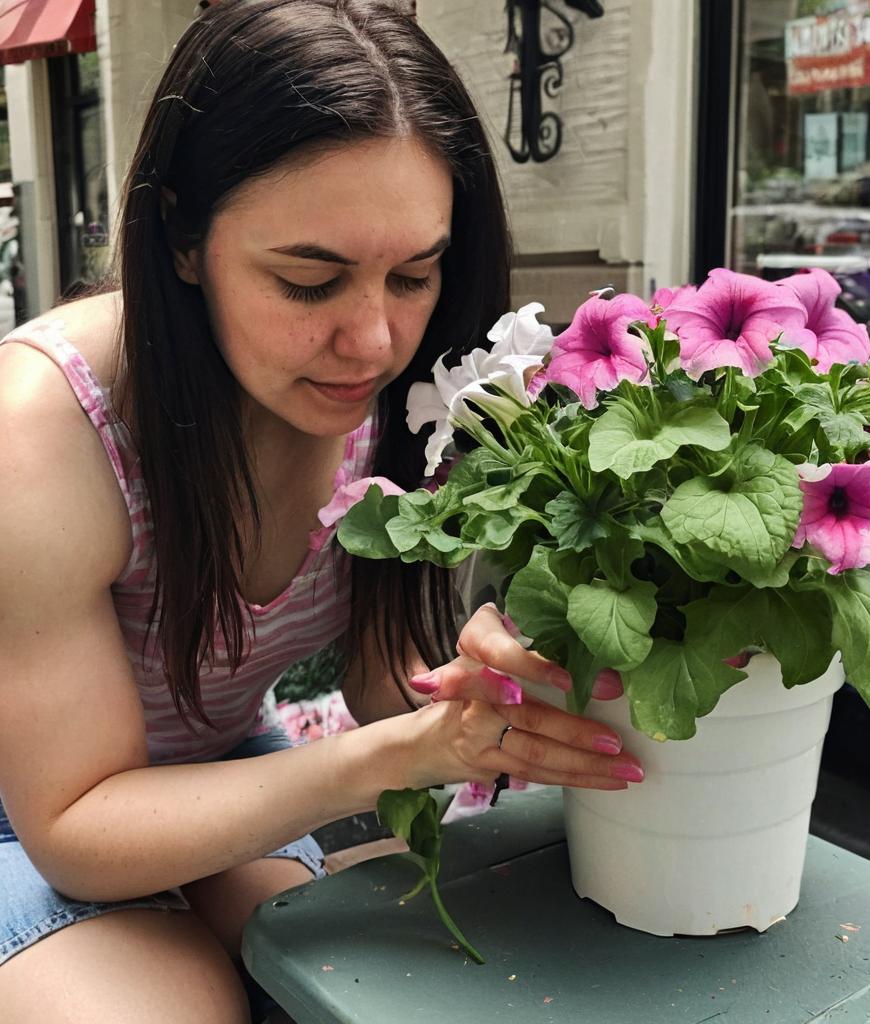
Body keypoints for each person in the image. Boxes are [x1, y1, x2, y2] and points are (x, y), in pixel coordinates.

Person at [0, 2, 643, 1020]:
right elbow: (76, 824)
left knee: (377, 989)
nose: (374, 341)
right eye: (309, 281)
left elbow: (388, 685)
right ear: (181, 236)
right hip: (35, 809)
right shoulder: (44, 431)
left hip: (206, 767)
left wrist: (480, 684)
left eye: (415, 274)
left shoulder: (402, 396)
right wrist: (394, 756)